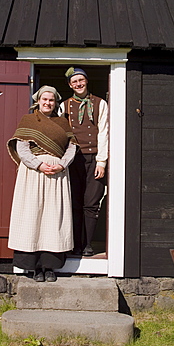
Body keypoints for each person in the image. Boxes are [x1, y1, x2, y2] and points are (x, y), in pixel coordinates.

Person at [7, 85, 78, 282]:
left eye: (51, 100)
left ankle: (50, 267)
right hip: (33, 173)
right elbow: (22, 148)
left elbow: (72, 147)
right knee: (33, 215)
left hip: (57, 174)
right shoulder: (28, 120)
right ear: (38, 100)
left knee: (53, 218)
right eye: (44, 99)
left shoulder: (63, 123)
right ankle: (33, 267)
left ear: (56, 102)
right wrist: (38, 165)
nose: (48, 103)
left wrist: (62, 165)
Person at [59, 67, 108, 257]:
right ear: (70, 85)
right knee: (74, 202)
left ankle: (88, 244)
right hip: (73, 160)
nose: (78, 84)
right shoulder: (64, 106)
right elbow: (61, 134)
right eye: (74, 82)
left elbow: (104, 132)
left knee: (91, 203)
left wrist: (102, 161)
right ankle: (75, 244)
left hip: (94, 158)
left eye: (81, 80)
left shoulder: (100, 103)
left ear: (86, 81)